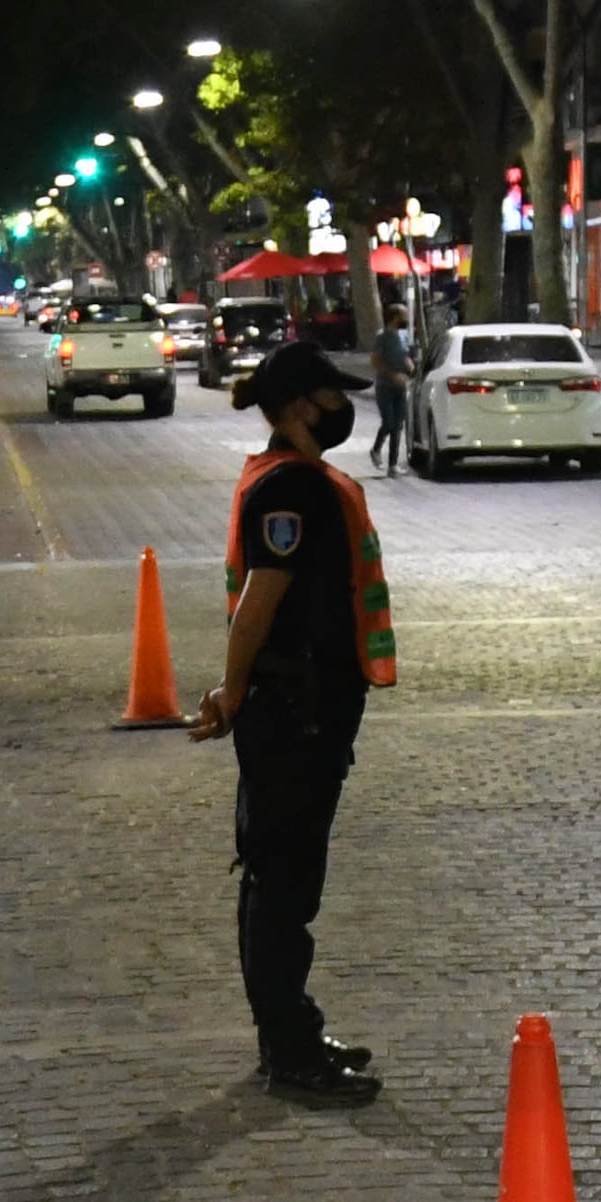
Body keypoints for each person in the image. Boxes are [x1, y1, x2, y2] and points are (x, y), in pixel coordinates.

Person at [189, 339, 394, 1106]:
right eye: (332, 397)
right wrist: (231, 690)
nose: (344, 408)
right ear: (305, 404)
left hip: (303, 712)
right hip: (293, 713)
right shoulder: (293, 491)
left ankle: (295, 1028)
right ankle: (288, 1049)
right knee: (282, 886)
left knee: (287, 881)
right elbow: (260, 604)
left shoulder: (294, 481)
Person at [368, 313, 415, 473]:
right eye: (402, 316)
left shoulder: (403, 336)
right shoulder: (382, 337)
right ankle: (376, 449)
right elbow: (375, 361)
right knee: (388, 422)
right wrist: (392, 375)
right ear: (394, 318)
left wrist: (410, 368)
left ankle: (393, 465)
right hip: (385, 386)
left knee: (398, 425)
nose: (405, 319)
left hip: (400, 386)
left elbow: (405, 356)